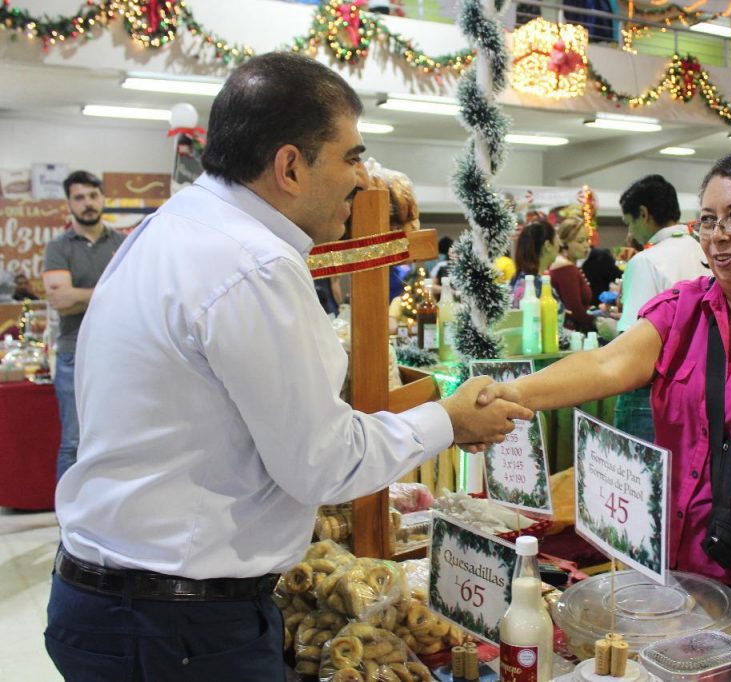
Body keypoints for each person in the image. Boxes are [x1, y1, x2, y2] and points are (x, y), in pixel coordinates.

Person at [45, 52, 531, 682]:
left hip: (119, 603)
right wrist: (449, 420)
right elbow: (323, 464)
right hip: (175, 625)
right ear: (290, 166)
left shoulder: (175, 226)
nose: (362, 180)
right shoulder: (253, 264)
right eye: (352, 157)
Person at [478, 152, 731, 658]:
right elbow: (607, 366)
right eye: (708, 220)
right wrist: (508, 395)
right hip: (673, 583)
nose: (717, 234)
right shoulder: (682, 311)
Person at [605, 174, 709, 442]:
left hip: (650, 394)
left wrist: (610, 328)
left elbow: (631, 346)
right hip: (699, 388)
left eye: (630, 224)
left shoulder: (647, 261)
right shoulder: (703, 252)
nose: (630, 234)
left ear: (643, 214)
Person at [43, 170, 126, 482]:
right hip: (73, 354)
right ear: (69, 203)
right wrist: (111, 291)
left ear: (103, 198)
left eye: (93, 196)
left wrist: (81, 296)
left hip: (118, 353)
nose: (88, 203)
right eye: (79, 198)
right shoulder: (58, 247)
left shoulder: (123, 243)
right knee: (74, 443)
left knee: (118, 439)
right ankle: (70, 526)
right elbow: (61, 300)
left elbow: (134, 293)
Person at [550, 217, 594, 332]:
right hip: (573, 333)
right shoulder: (565, 268)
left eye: (587, 240)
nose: (586, 245)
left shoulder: (567, 265)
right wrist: (597, 318)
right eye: (580, 241)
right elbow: (576, 310)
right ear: (564, 244)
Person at [509, 220, 561, 307]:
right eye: (557, 239)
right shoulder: (535, 285)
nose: (559, 244)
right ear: (548, 245)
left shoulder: (519, 279)